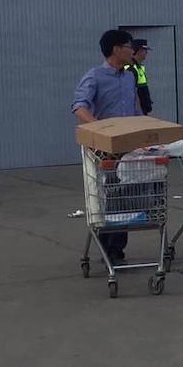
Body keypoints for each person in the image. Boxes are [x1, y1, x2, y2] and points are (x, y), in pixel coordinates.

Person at [72, 29, 140, 262]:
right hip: (105, 148)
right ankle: (109, 248)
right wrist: (100, 130)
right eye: (129, 47)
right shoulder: (95, 76)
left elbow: (135, 109)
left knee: (127, 197)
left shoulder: (130, 76)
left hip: (129, 147)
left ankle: (116, 248)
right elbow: (80, 107)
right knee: (108, 197)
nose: (133, 51)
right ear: (116, 49)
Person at [129, 38, 153, 114]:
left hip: (143, 109)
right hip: (137, 112)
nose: (146, 53)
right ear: (138, 51)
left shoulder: (139, 67)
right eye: (145, 50)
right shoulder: (130, 69)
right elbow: (132, 92)